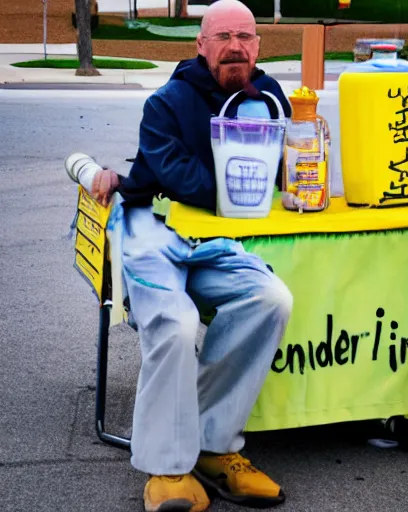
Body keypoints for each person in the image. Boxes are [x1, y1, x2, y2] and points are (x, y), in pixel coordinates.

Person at [88, 1, 293, 511]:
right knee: (176, 322)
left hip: (214, 239)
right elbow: (177, 176)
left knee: (270, 298)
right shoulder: (167, 102)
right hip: (153, 226)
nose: (235, 46)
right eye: (222, 36)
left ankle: (213, 444)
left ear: (258, 45)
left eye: (245, 36)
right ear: (200, 46)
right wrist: (242, 192)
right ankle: (166, 465)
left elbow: (283, 167)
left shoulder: (268, 97)